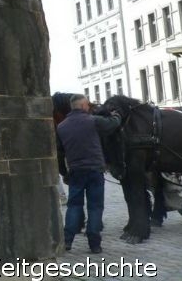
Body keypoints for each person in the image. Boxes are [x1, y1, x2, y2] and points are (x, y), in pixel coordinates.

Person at [56, 93, 121, 254]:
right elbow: (112, 124)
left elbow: (59, 153)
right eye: (87, 105)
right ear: (83, 106)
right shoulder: (93, 121)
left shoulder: (62, 126)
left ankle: (68, 240)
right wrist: (117, 114)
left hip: (76, 172)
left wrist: (65, 173)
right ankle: (94, 243)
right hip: (95, 171)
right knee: (95, 207)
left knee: (74, 206)